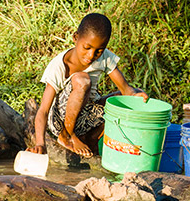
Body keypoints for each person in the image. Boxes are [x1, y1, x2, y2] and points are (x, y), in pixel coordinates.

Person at [29, 13, 148, 158]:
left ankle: (91, 139)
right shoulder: (60, 66)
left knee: (132, 97)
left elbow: (126, 90)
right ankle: (67, 136)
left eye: (99, 50)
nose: (92, 55)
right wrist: (40, 143)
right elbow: (43, 110)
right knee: (82, 80)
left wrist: (135, 95)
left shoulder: (105, 57)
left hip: (85, 116)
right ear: (75, 38)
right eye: (87, 47)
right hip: (59, 121)